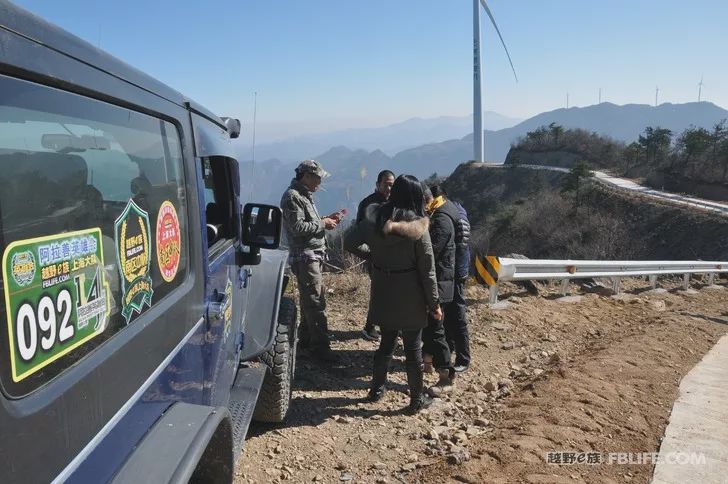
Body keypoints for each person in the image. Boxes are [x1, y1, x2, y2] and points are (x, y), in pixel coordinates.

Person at [344, 175, 441, 414]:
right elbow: (427, 271)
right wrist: (434, 304)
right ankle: (416, 400)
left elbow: (349, 242)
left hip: (384, 287)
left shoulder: (373, 218)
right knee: (413, 348)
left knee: (386, 343)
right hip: (411, 292)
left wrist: (373, 256)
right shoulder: (419, 227)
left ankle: (376, 390)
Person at [280, 160, 340, 362]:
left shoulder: (304, 196)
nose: (320, 183)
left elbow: (307, 223)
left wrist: (325, 221)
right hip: (306, 256)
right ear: (306, 176)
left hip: (313, 255)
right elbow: (297, 227)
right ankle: (320, 349)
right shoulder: (292, 197)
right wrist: (322, 223)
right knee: (315, 302)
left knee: (311, 299)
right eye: (318, 178)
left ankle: (305, 341)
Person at [430, 185, 471, 372]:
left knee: (456, 315)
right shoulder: (457, 209)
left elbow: (456, 246)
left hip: (455, 271)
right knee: (451, 315)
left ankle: (463, 359)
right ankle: (452, 349)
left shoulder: (445, 214)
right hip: (456, 270)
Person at [422, 184, 458, 397]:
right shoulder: (444, 209)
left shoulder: (442, 218)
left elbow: (432, 251)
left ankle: (446, 376)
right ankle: (429, 362)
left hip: (441, 282)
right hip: (443, 280)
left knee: (436, 328)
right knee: (432, 327)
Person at [356, 169, 395, 341]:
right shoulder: (368, 203)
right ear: (377, 184)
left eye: (392, 185)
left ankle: (392, 326)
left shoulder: (394, 203)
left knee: (393, 292)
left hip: (394, 257)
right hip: (376, 256)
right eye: (386, 184)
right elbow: (359, 231)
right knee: (379, 292)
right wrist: (369, 254)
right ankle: (370, 327)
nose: (389, 188)